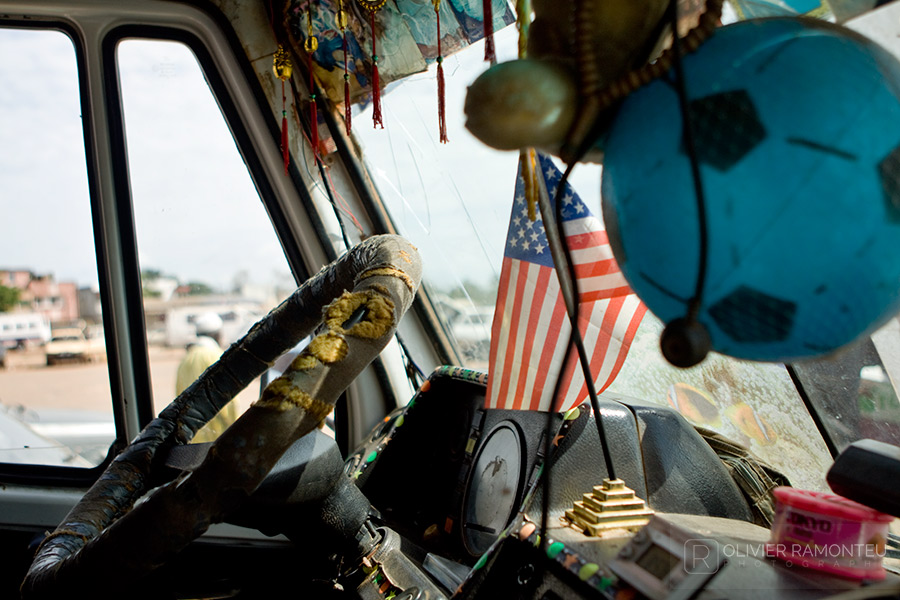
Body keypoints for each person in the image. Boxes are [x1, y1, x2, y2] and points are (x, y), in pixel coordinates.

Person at [175, 312, 240, 443]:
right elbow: (229, 403)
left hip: (191, 439)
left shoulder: (186, 359)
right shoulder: (217, 356)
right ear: (217, 334)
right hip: (216, 439)